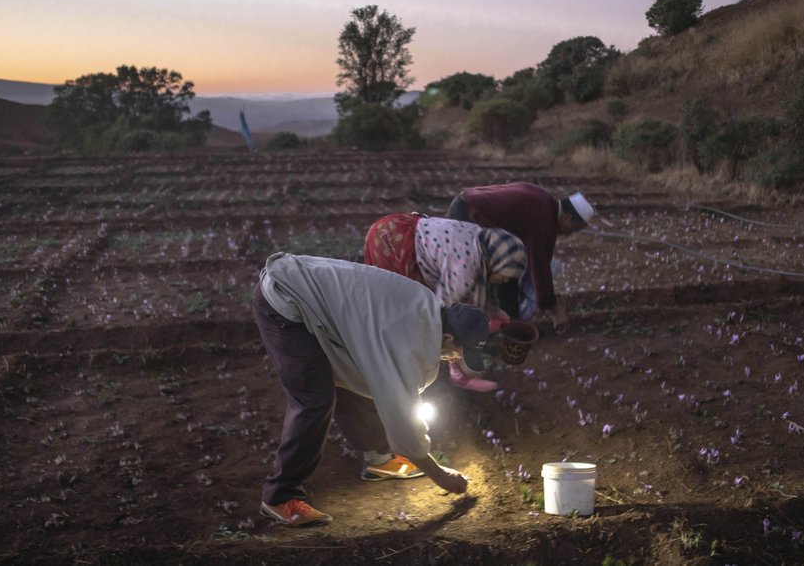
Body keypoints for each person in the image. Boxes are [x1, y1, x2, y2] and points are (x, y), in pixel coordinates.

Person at [252, 252, 491, 527]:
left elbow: (381, 379)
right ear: (448, 338)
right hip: (284, 301)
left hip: (308, 294)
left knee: (360, 376)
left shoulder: (425, 309)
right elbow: (401, 416)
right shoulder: (406, 338)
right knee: (314, 400)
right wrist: (440, 475)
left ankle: (379, 457)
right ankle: (280, 497)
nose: (455, 359)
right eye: (458, 352)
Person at [363, 212, 527, 393]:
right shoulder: (466, 267)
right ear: (499, 260)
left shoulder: (481, 242)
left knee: (428, 314)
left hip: (404, 227)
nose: (504, 281)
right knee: (399, 309)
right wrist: (454, 352)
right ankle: (398, 369)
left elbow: (478, 290)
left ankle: (430, 366)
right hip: (392, 238)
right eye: (505, 275)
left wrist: (494, 314)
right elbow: (440, 313)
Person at [445, 182, 594, 333]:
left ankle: (507, 322)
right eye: (573, 230)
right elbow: (540, 266)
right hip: (468, 216)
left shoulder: (544, 201)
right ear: (567, 218)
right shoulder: (543, 221)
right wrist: (554, 310)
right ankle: (503, 328)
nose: (569, 235)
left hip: (465, 204)